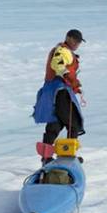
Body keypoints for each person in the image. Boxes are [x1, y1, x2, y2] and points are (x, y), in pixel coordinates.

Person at [32, 29, 86, 164]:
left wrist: (74, 86)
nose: (77, 44)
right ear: (69, 38)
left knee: (56, 123)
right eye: (76, 41)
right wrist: (67, 75)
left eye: (79, 42)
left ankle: (46, 156)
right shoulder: (63, 51)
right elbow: (57, 63)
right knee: (72, 122)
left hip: (55, 91)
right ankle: (68, 155)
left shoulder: (66, 51)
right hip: (60, 92)